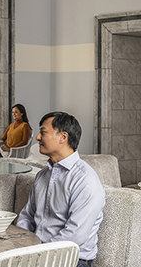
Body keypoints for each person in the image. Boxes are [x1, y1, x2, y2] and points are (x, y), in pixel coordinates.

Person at [16, 111, 105, 267]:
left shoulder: (85, 179)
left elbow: (75, 235)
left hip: (71, 260)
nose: (37, 138)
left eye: (43, 132)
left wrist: (37, 255)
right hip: (36, 254)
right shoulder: (42, 175)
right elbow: (27, 216)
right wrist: (21, 244)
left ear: (63, 137)